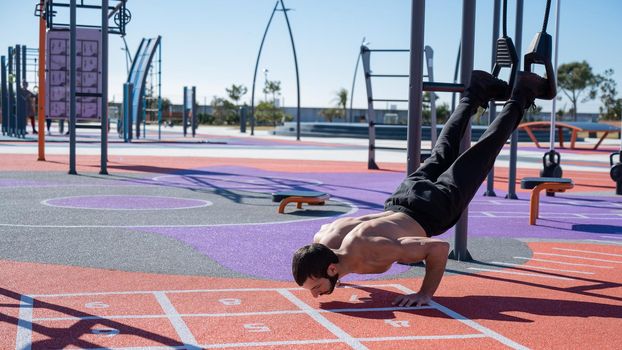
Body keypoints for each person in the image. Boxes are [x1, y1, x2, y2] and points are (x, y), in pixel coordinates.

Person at [292, 69, 551, 307]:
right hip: (402, 198)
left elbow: (437, 249)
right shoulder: (325, 241)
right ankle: (476, 89)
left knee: (484, 150)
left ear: (332, 269)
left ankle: (524, 91)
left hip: (434, 209)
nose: (316, 294)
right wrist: (336, 277)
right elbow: (322, 240)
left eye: (316, 287)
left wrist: (424, 293)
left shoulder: (373, 250)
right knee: (443, 150)